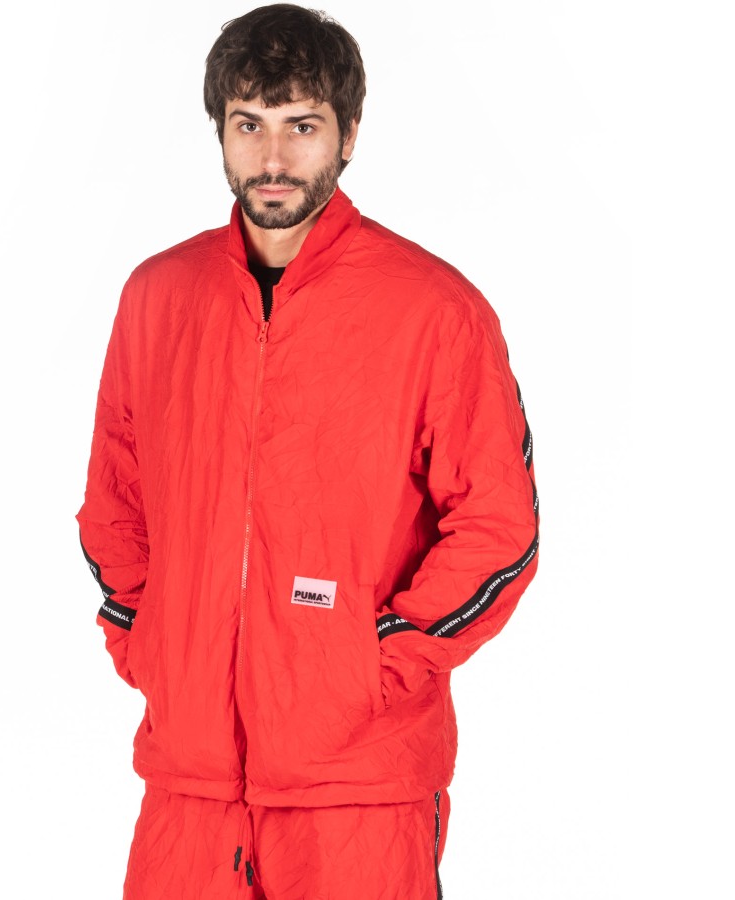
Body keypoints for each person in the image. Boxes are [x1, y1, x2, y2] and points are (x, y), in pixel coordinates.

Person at [76, 5, 539, 898]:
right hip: (189, 787)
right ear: (221, 131)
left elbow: (498, 527)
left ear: (348, 134)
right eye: (249, 124)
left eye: (302, 126)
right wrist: (151, 641)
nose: (274, 157)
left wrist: (372, 666)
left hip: (357, 792)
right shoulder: (158, 297)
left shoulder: (433, 310)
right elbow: (114, 499)